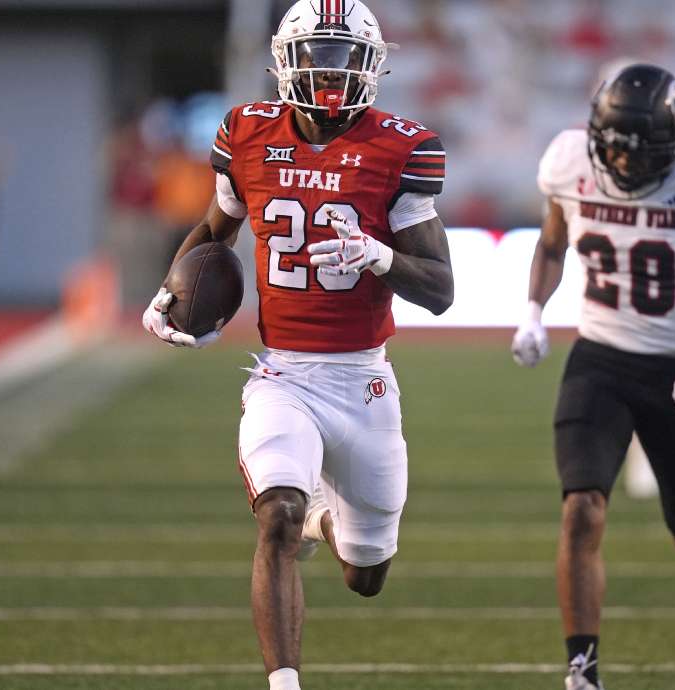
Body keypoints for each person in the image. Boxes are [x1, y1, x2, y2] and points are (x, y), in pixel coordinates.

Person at [142, 3, 453, 690]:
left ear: (373, 66)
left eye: (347, 56)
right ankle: (285, 683)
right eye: (320, 53)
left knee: (365, 574)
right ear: (286, 59)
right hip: (283, 374)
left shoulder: (404, 147)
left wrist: (377, 255)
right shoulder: (246, 134)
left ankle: (323, 520)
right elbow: (214, 230)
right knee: (275, 517)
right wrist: (170, 289)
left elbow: (440, 290)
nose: (332, 71)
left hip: (364, 381)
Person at [510, 64, 675, 690]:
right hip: (599, 361)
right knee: (582, 511)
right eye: (612, 143)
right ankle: (582, 670)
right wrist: (533, 314)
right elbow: (551, 245)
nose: (620, 160)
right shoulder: (569, 161)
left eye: (636, 149)